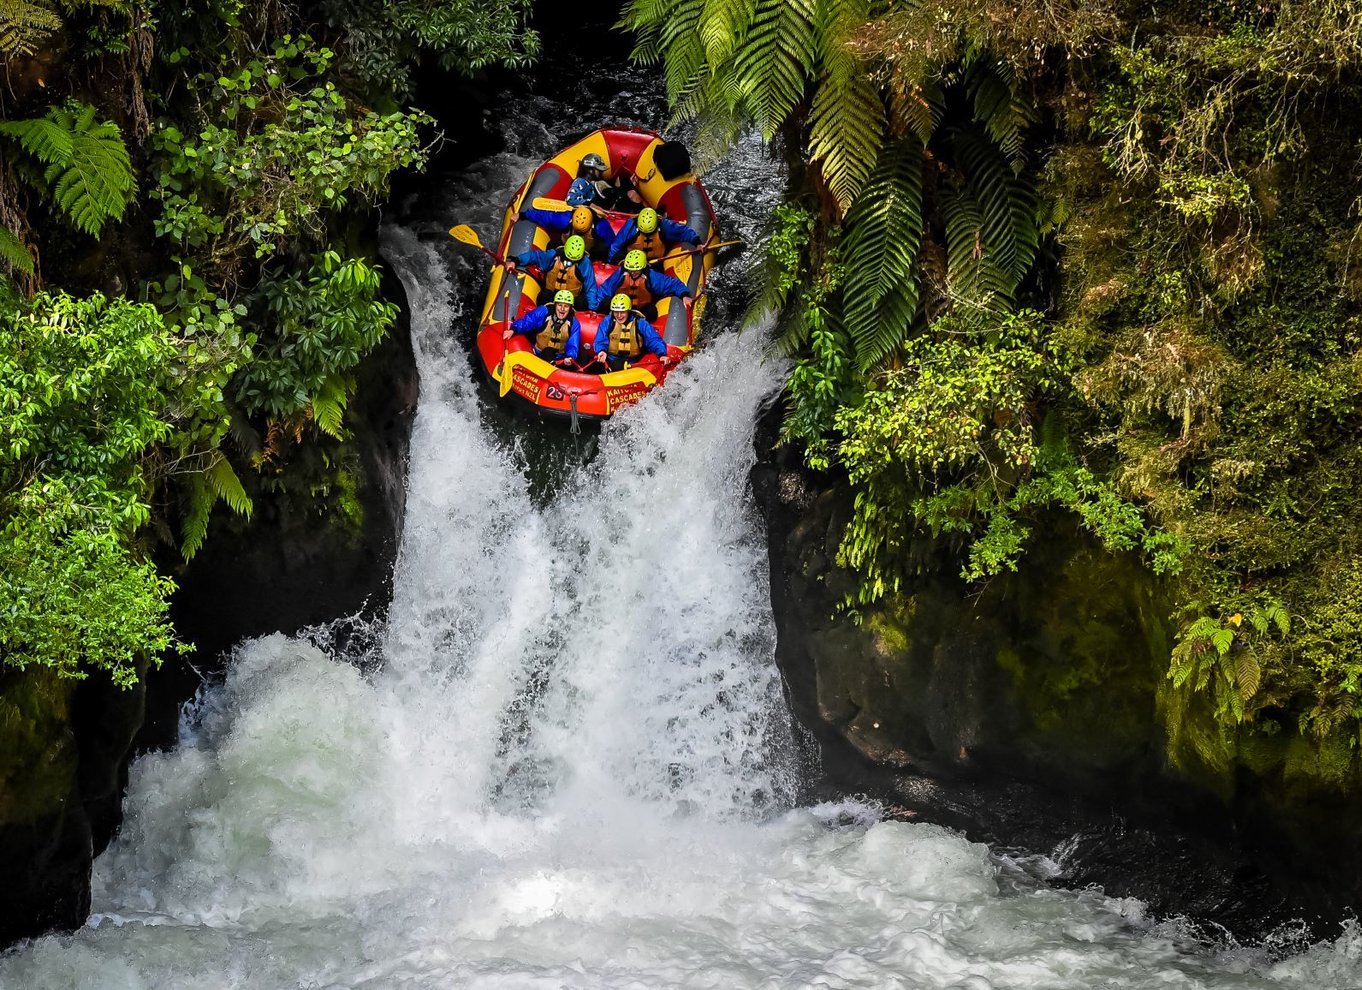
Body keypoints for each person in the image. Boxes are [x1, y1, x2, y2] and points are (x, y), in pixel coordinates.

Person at [505, 234, 602, 310]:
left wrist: (592, 308)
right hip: (552, 295)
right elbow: (535, 256)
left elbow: (591, 287)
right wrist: (516, 260)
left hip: (571, 300)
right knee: (543, 296)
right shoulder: (554, 255)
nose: (570, 262)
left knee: (582, 302)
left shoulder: (584, 263)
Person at [597, 249, 692, 319]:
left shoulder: (651, 276)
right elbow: (606, 289)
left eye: (636, 270)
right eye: (631, 269)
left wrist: (684, 295)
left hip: (641, 309)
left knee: (652, 312)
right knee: (605, 302)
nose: (633, 272)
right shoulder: (621, 274)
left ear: (643, 267)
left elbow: (672, 284)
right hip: (620, 308)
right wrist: (596, 307)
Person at [592, 293, 669, 372]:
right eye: (616, 312)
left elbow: (654, 340)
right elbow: (600, 339)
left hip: (634, 362)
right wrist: (602, 351)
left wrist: (661, 354)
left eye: (622, 312)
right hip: (610, 359)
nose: (619, 315)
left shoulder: (640, 323)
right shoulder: (608, 321)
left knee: (618, 365)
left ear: (628, 311)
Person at [504, 289, 582, 366]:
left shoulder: (574, 323)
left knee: (549, 352)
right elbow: (527, 322)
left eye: (566, 306)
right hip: (537, 352)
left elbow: (573, 345)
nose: (562, 309)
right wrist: (513, 330)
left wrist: (570, 357)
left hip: (559, 358)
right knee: (547, 351)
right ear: (555, 305)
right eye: (560, 305)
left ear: (570, 308)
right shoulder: (543, 312)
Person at [607, 206, 700, 264]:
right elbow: (616, 247)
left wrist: (697, 242)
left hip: (655, 263)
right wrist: (615, 261)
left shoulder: (664, 225)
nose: (646, 235)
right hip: (633, 263)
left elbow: (684, 231)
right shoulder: (630, 227)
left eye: (649, 232)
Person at [513, 203, 613, 256]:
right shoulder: (564, 219)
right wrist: (523, 215)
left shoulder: (601, 227)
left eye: (582, 232)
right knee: (551, 245)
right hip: (564, 245)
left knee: (602, 249)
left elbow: (611, 243)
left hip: (588, 251)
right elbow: (545, 217)